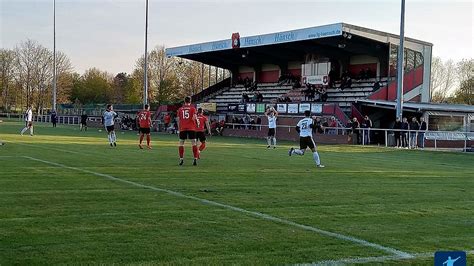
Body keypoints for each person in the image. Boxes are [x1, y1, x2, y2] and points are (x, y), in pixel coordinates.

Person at [177, 96, 199, 166]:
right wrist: (197, 123)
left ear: (184, 101)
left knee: (181, 143)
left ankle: (181, 159)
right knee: (194, 143)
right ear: (190, 101)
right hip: (191, 128)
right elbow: (194, 117)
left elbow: (178, 119)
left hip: (182, 128)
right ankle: (195, 159)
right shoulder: (193, 108)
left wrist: (179, 128)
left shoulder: (180, 109)